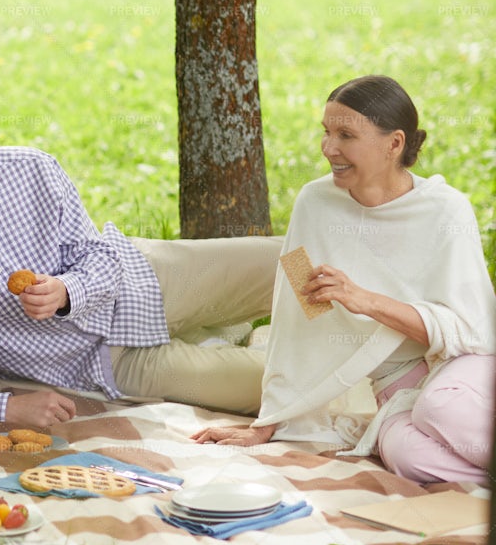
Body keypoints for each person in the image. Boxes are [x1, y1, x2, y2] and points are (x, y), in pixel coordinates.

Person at [0, 82, 283, 429]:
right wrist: (8, 408)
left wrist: (66, 290)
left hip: (144, 280)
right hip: (106, 365)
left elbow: (96, 256)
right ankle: (237, 337)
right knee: (283, 384)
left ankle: (231, 326)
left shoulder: (31, 170)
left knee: (293, 262)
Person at [192, 76, 495, 484]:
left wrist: (365, 300)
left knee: (440, 410)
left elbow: (473, 331)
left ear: (395, 143)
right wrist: (267, 423)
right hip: (396, 385)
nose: (329, 148)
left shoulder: (447, 211)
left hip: (461, 368)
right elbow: (295, 316)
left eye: (346, 135)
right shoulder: (312, 204)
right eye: (327, 132)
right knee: (407, 457)